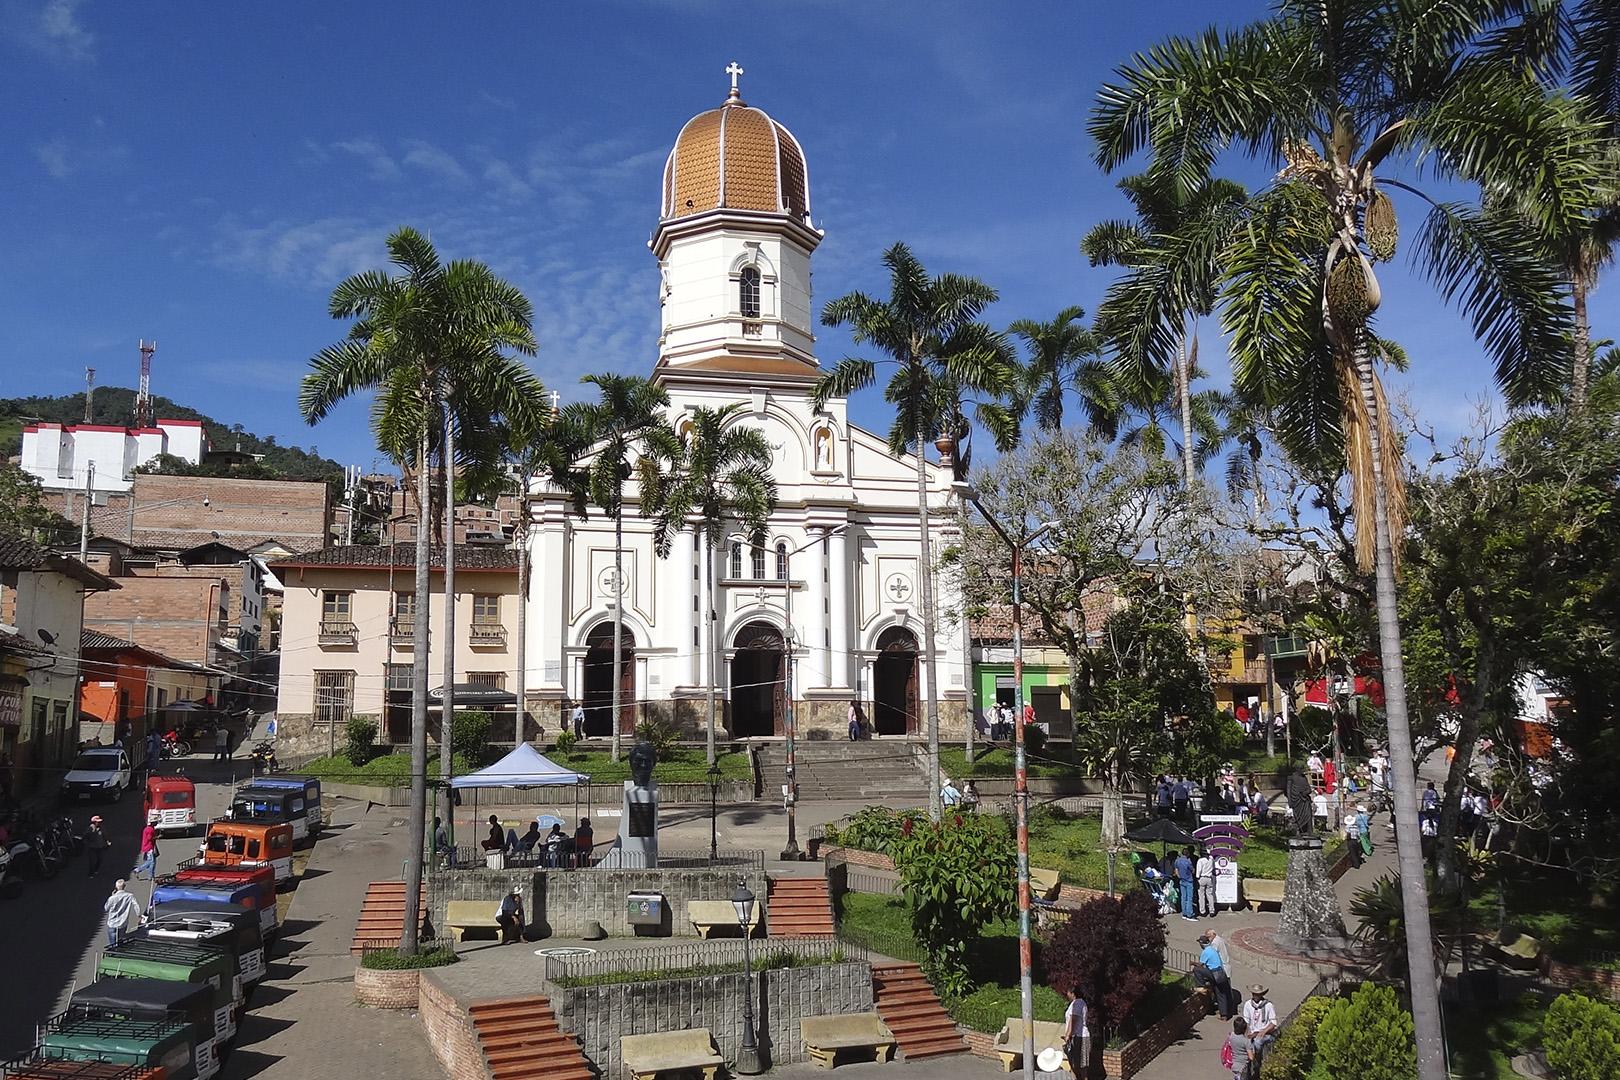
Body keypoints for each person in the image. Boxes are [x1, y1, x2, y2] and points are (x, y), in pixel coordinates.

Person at [1192, 932, 1234, 1020]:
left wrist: (1192, 963)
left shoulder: (1206, 951)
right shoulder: (1212, 949)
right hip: (1222, 974)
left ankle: (1200, 987)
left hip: (1215, 974)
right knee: (1221, 994)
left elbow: (1200, 965)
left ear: (1202, 944)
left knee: (1196, 970)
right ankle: (1224, 1015)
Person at [1242, 984, 1278, 1064]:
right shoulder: (1248, 1004)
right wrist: (1247, 1033)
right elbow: (1246, 1021)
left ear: (1262, 994)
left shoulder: (1268, 1005)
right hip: (1252, 1033)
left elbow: (1273, 1023)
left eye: (1257, 994)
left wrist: (1263, 1032)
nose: (1255, 996)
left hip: (1265, 1034)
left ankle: (1257, 1061)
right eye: (1254, 994)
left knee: (1257, 1042)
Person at [1060, 985, 1089, 1079]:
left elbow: (1073, 1020)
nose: (1067, 995)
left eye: (1068, 993)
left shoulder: (1078, 1003)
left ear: (1073, 993)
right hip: (1075, 1036)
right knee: (1073, 1062)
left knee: (1080, 1063)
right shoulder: (1074, 1003)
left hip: (1079, 1036)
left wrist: (1068, 1034)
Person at [104, 879, 143, 947]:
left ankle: (113, 952)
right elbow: (136, 905)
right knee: (120, 939)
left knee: (112, 943)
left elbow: (106, 908)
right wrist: (139, 915)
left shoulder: (112, 898)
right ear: (124, 886)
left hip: (112, 922)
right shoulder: (129, 896)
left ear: (116, 887)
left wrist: (111, 896)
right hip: (123, 921)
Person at [131, 812, 159, 880]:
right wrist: (157, 837)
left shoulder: (148, 828)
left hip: (148, 847)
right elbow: (150, 838)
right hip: (149, 848)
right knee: (151, 862)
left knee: (151, 861)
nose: (157, 822)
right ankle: (147, 874)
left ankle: (149, 874)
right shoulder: (150, 830)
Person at [1175, 846, 1196, 921]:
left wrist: (1179, 876)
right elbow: (1193, 870)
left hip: (1182, 880)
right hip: (1189, 880)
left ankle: (1184, 912)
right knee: (1189, 898)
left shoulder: (1177, 861)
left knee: (1183, 897)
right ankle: (1189, 914)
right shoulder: (1188, 861)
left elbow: (1176, 870)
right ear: (1188, 854)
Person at [1196, 847, 1215, 918]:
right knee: (1210, 895)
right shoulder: (1211, 860)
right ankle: (1212, 910)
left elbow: (1198, 871)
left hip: (1202, 878)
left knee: (1201, 895)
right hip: (1209, 878)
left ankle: (1202, 911)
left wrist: (1197, 877)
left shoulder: (1200, 860)